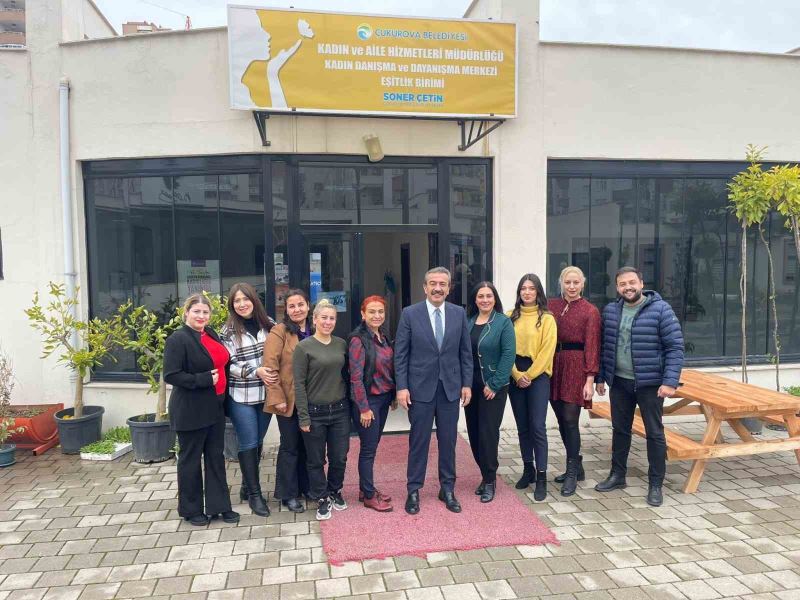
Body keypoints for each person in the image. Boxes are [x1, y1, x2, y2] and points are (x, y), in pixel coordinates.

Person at [594, 266, 684, 507]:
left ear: (641, 283)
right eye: (623, 284)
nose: (628, 287)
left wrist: (670, 381)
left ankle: (655, 484)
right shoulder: (611, 311)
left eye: (632, 282)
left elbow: (675, 347)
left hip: (650, 384)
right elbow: (604, 347)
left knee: (654, 433)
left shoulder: (661, 309)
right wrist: (601, 377)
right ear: (617, 287)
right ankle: (617, 476)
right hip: (619, 382)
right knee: (620, 430)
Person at [395, 266, 472, 515]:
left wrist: (466, 384)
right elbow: (401, 354)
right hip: (420, 389)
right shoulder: (410, 314)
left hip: (450, 389)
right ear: (425, 287)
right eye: (433, 284)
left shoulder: (459, 313)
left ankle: (447, 489)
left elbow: (465, 353)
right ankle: (413, 489)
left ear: (449, 288)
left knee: (448, 442)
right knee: (419, 441)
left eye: (442, 284)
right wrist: (402, 387)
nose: (438, 288)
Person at [164, 294, 239, 526]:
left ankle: (219, 506)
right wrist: (203, 379)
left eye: (205, 312)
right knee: (191, 460)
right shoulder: (178, 339)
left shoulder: (210, 333)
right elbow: (171, 375)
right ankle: (191, 510)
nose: (201, 316)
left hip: (215, 406)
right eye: (196, 311)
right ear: (186, 312)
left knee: (216, 457)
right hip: (190, 410)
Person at [220, 282, 277, 518]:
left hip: (267, 394)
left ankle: (246, 485)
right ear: (232, 305)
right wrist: (256, 371)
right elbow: (229, 364)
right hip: (241, 396)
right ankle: (255, 495)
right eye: (237, 301)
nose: (242, 304)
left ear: (254, 300)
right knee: (249, 442)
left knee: (258, 441)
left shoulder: (269, 324)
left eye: (246, 299)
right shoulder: (228, 331)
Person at [294, 299, 350, 521]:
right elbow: (299, 384)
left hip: (340, 410)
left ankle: (335, 490)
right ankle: (321, 497)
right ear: (314, 319)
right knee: (316, 460)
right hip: (314, 412)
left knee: (339, 457)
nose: (328, 322)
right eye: (324, 318)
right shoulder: (303, 347)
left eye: (332, 318)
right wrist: (303, 416)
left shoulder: (341, 344)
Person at [548, 265, 601, 497]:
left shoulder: (590, 311)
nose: (571, 286)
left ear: (582, 284)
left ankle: (571, 472)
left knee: (570, 419)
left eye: (576, 282)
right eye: (567, 282)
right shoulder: (551, 306)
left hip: (576, 366)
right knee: (561, 418)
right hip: (553, 364)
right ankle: (577, 466)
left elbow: (593, 346)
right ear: (561, 282)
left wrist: (590, 379)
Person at [507, 274, 557, 501]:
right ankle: (528, 469)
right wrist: (516, 374)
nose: (527, 292)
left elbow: (547, 351)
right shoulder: (509, 316)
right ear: (519, 292)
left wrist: (528, 375)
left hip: (538, 375)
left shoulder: (547, 318)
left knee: (537, 426)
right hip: (515, 373)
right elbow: (505, 349)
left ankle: (542, 476)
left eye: (531, 288)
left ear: (538, 292)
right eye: (523, 289)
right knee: (523, 426)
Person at [465, 281, 515, 503]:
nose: (485, 300)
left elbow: (508, 355)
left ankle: (490, 479)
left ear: (495, 299)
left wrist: (495, 384)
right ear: (475, 299)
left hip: (492, 386)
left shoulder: (503, 322)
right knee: (474, 433)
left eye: (489, 296)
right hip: (470, 387)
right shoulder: (468, 322)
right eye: (480, 296)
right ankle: (484, 473)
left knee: (488, 433)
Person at [263, 289, 311, 513]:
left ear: (308, 306)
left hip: (313, 399)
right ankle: (288, 494)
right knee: (290, 447)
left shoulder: (316, 328)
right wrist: (277, 398)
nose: (297, 309)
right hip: (289, 400)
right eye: (292, 306)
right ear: (286, 310)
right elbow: (270, 367)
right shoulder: (279, 331)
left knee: (308, 447)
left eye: (300, 304)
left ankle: (306, 487)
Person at [348, 295, 397, 512]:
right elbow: (356, 378)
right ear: (363, 314)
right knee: (368, 449)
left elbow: (388, 368)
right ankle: (368, 495)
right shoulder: (358, 340)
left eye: (380, 312)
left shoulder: (383, 336)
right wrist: (364, 408)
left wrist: (392, 395)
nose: (377, 315)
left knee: (373, 446)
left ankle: (364, 488)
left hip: (383, 399)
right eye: (372, 312)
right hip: (368, 402)